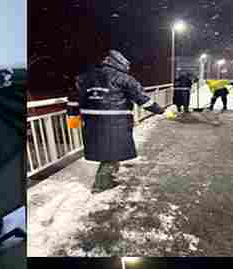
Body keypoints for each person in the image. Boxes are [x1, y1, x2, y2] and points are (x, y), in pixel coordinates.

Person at [67, 50, 166, 193]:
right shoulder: (125, 79)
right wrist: (161, 111)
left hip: (91, 122)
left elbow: (72, 99)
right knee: (113, 152)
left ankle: (107, 179)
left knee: (107, 151)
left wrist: (73, 117)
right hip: (115, 122)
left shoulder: (84, 77)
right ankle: (102, 184)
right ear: (120, 64)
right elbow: (142, 99)